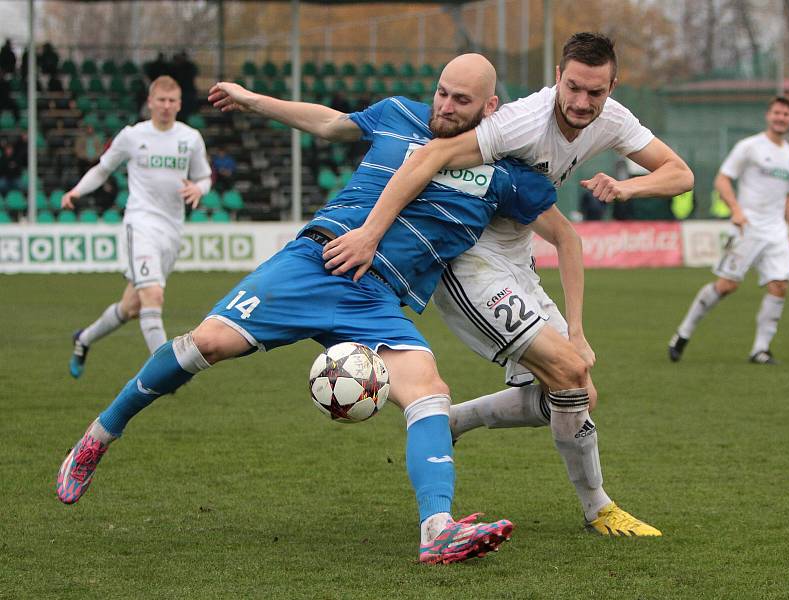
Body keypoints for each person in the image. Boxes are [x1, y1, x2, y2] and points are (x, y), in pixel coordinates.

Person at [56, 54, 554, 564]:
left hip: (376, 296)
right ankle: (98, 436)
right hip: (316, 260)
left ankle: (437, 529)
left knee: (429, 392)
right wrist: (254, 101)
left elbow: (559, 175)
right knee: (207, 343)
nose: (444, 106)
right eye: (442, 92)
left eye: (461, 100)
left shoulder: (505, 176)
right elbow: (328, 122)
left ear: (492, 107)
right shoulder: (399, 114)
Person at [323, 32, 695, 536]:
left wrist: (628, 185)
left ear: (612, 86)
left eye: (596, 92)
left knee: (577, 393)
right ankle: (599, 509)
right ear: (557, 78)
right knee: (567, 375)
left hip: (517, 263)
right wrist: (370, 233)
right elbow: (429, 157)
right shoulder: (519, 122)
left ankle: (454, 422)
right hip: (469, 263)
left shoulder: (613, 118)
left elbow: (680, 174)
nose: (582, 102)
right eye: (573, 88)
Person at [61, 75, 212, 378]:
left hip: (171, 230)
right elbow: (103, 169)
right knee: (153, 296)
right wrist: (77, 191)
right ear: (150, 103)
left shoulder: (190, 138)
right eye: (161, 100)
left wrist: (199, 190)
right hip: (140, 223)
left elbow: (204, 177)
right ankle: (165, 370)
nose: (166, 106)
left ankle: (84, 339)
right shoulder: (132, 136)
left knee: (131, 307)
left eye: (172, 101)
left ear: (179, 104)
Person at [668, 96, 789, 365]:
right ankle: (683, 333)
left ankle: (760, 350)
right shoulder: (749, 147)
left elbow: (787, 196)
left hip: (776, 232)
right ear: (768, 115)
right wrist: (736, 211)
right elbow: (722, 179)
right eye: (777, 113)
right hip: (748, 228)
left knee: (780, 285)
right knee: (727, 285)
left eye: (786, 114)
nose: (781, 118)